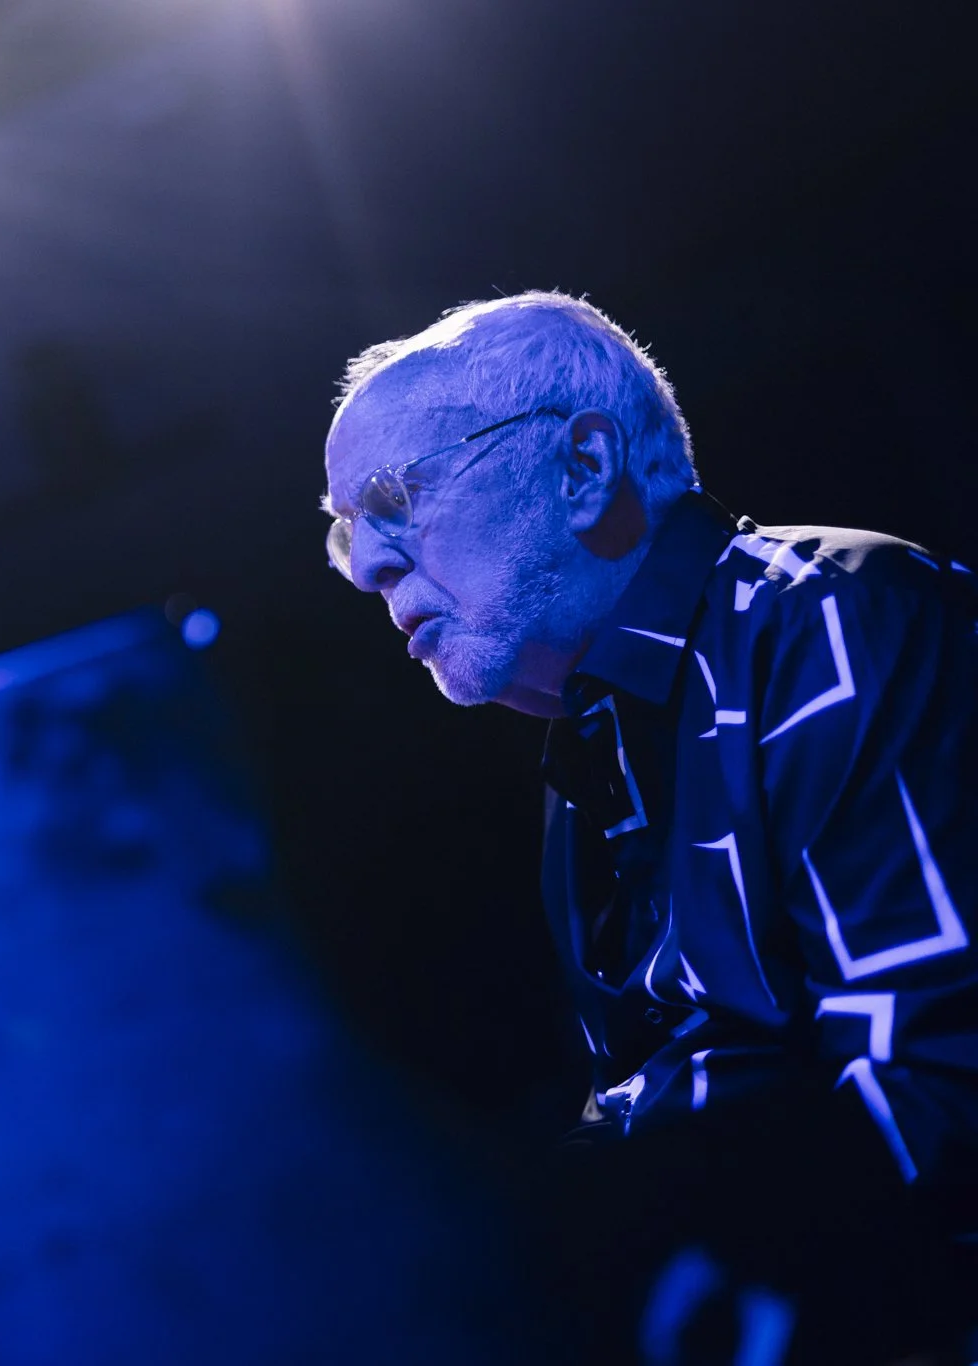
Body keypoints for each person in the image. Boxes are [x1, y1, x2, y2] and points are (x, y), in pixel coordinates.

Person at [321, 292, 976, 1364]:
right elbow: (651, 1109)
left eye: (395, 497)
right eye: (346, 530)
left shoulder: (826, 618)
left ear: (581, 466)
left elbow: (938, 1086)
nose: (367, 566)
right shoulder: (591, 753)